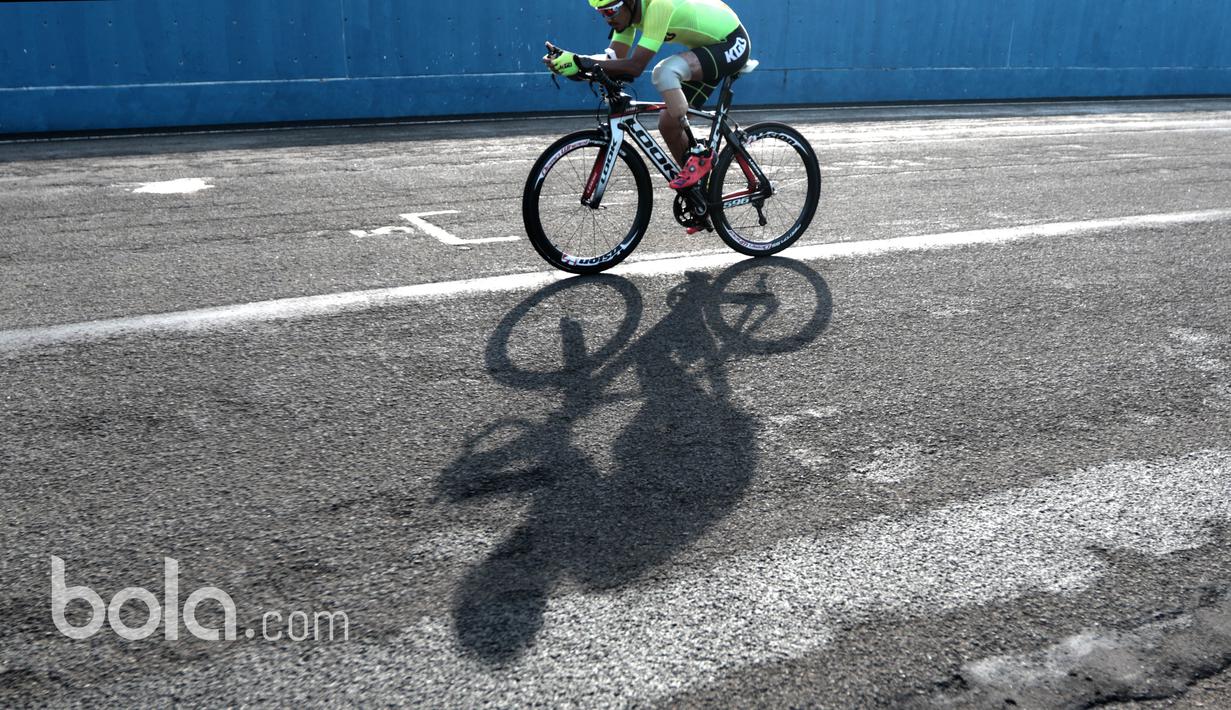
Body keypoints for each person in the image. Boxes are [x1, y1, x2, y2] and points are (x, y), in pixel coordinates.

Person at [544, 0, 751, 191]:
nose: (608, 18)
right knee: (668, 126)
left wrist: (583, 61)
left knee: (665, 72)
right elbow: (612, 61)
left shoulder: (658, 5)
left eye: (610, 10)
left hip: (732, 43)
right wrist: (571, 66)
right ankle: (700, 194)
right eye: (602, 13)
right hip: (705, 50)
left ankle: (700, 154)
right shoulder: (627, 17)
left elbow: (635, 66)